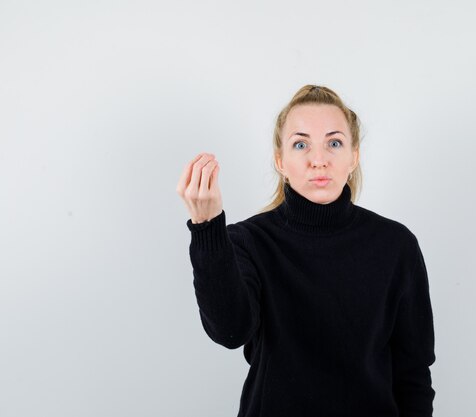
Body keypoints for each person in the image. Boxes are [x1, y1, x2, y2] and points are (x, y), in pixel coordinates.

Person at [176, 85, 436, 417]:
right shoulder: (248, 241)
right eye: (301, 144)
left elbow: (413, 374)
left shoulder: (396, 245)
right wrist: (207, 226)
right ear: (280, 161)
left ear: (353, 157)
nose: (318, 160)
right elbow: (230, 331)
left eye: (334, 143)